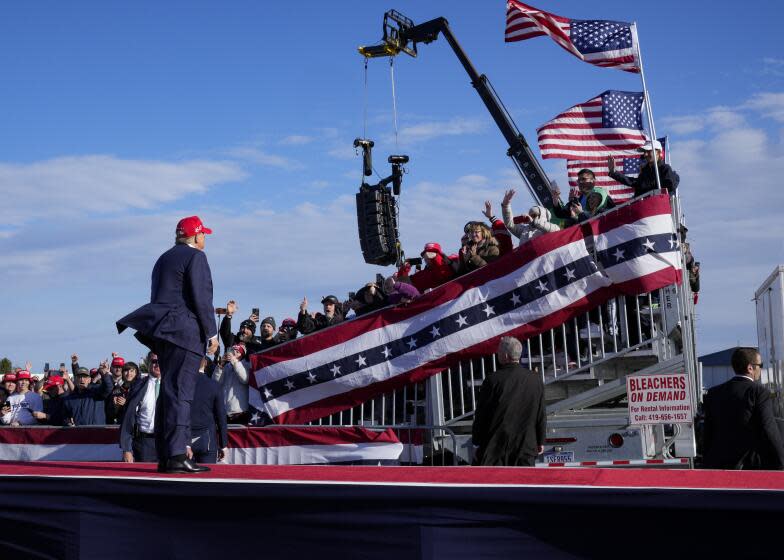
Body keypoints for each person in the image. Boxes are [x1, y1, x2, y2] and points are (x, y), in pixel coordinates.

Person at [117, 215, 218, 474]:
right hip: (185, 333)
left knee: (169, 393)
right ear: (196, 236)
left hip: (162, 332)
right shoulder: (197, 257)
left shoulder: (163, 259)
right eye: (203, 233)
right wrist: (212, 333)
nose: (205, 237)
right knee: (180, 393)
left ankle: (166, 455)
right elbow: (202, 298)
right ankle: (175, 455)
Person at [702, 347, 784, 470]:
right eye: (760, 365)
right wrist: (781, 460)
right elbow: (768, 428)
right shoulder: (758, 392)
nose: (761, 369)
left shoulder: (714, 393)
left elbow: (708, 431)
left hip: (718, 464)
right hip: (748, 465)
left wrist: (706, 461)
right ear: (750, 368)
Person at [472, 337, 546, 466]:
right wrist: (541, 440)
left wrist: (476, 441)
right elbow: (541, 414)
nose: (497, 353)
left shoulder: (492, 380)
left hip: (495, 448)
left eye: (499, 351)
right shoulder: (535, 380)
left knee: (496, 485)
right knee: (523, 484)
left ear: (505, 355)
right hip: (525, 447)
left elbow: (481, 415)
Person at [120, 353, 163, 463]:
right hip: (145, 443)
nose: (157, 364)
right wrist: (126, 449)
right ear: (148, 363)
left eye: (160, 360)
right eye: (154, 361)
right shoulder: (138, 385)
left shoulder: (173, 385)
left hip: (167, 443)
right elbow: (128, 417)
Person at [608, 139, 680, 197]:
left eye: (649, 151)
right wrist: (614, 172)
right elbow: (634, 183)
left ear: (658, 152)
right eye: (644, 152)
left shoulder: (665, 169)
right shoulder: (645, 171)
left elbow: (670, 188)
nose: (645, 154)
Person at [188, 371, 228, 464]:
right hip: (207, 441)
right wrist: (223, 445)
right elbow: (221, 417)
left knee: (185, 477)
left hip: (184, 439)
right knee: (207, 476)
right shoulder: (214, 385)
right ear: (205, 364)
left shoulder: (180, 383)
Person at [549, 169, 616, 221]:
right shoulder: (578, 200)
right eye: (579, 180)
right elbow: (560, 214)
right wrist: (555, 199)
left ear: (593, 181)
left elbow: (597, 221)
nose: (580, 182)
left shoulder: (601, 195)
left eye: (584, 179)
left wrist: (580, 213)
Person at [212, 344, 251, 424]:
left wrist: (235, 362)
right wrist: (220, 366)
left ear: (242, 354)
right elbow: (215, 383)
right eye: (232, 351)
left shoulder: (246, 365)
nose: (233, 353)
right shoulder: (226, 367)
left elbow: (245, 379)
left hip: (240, 412)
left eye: (237, 352)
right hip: (224, 412)